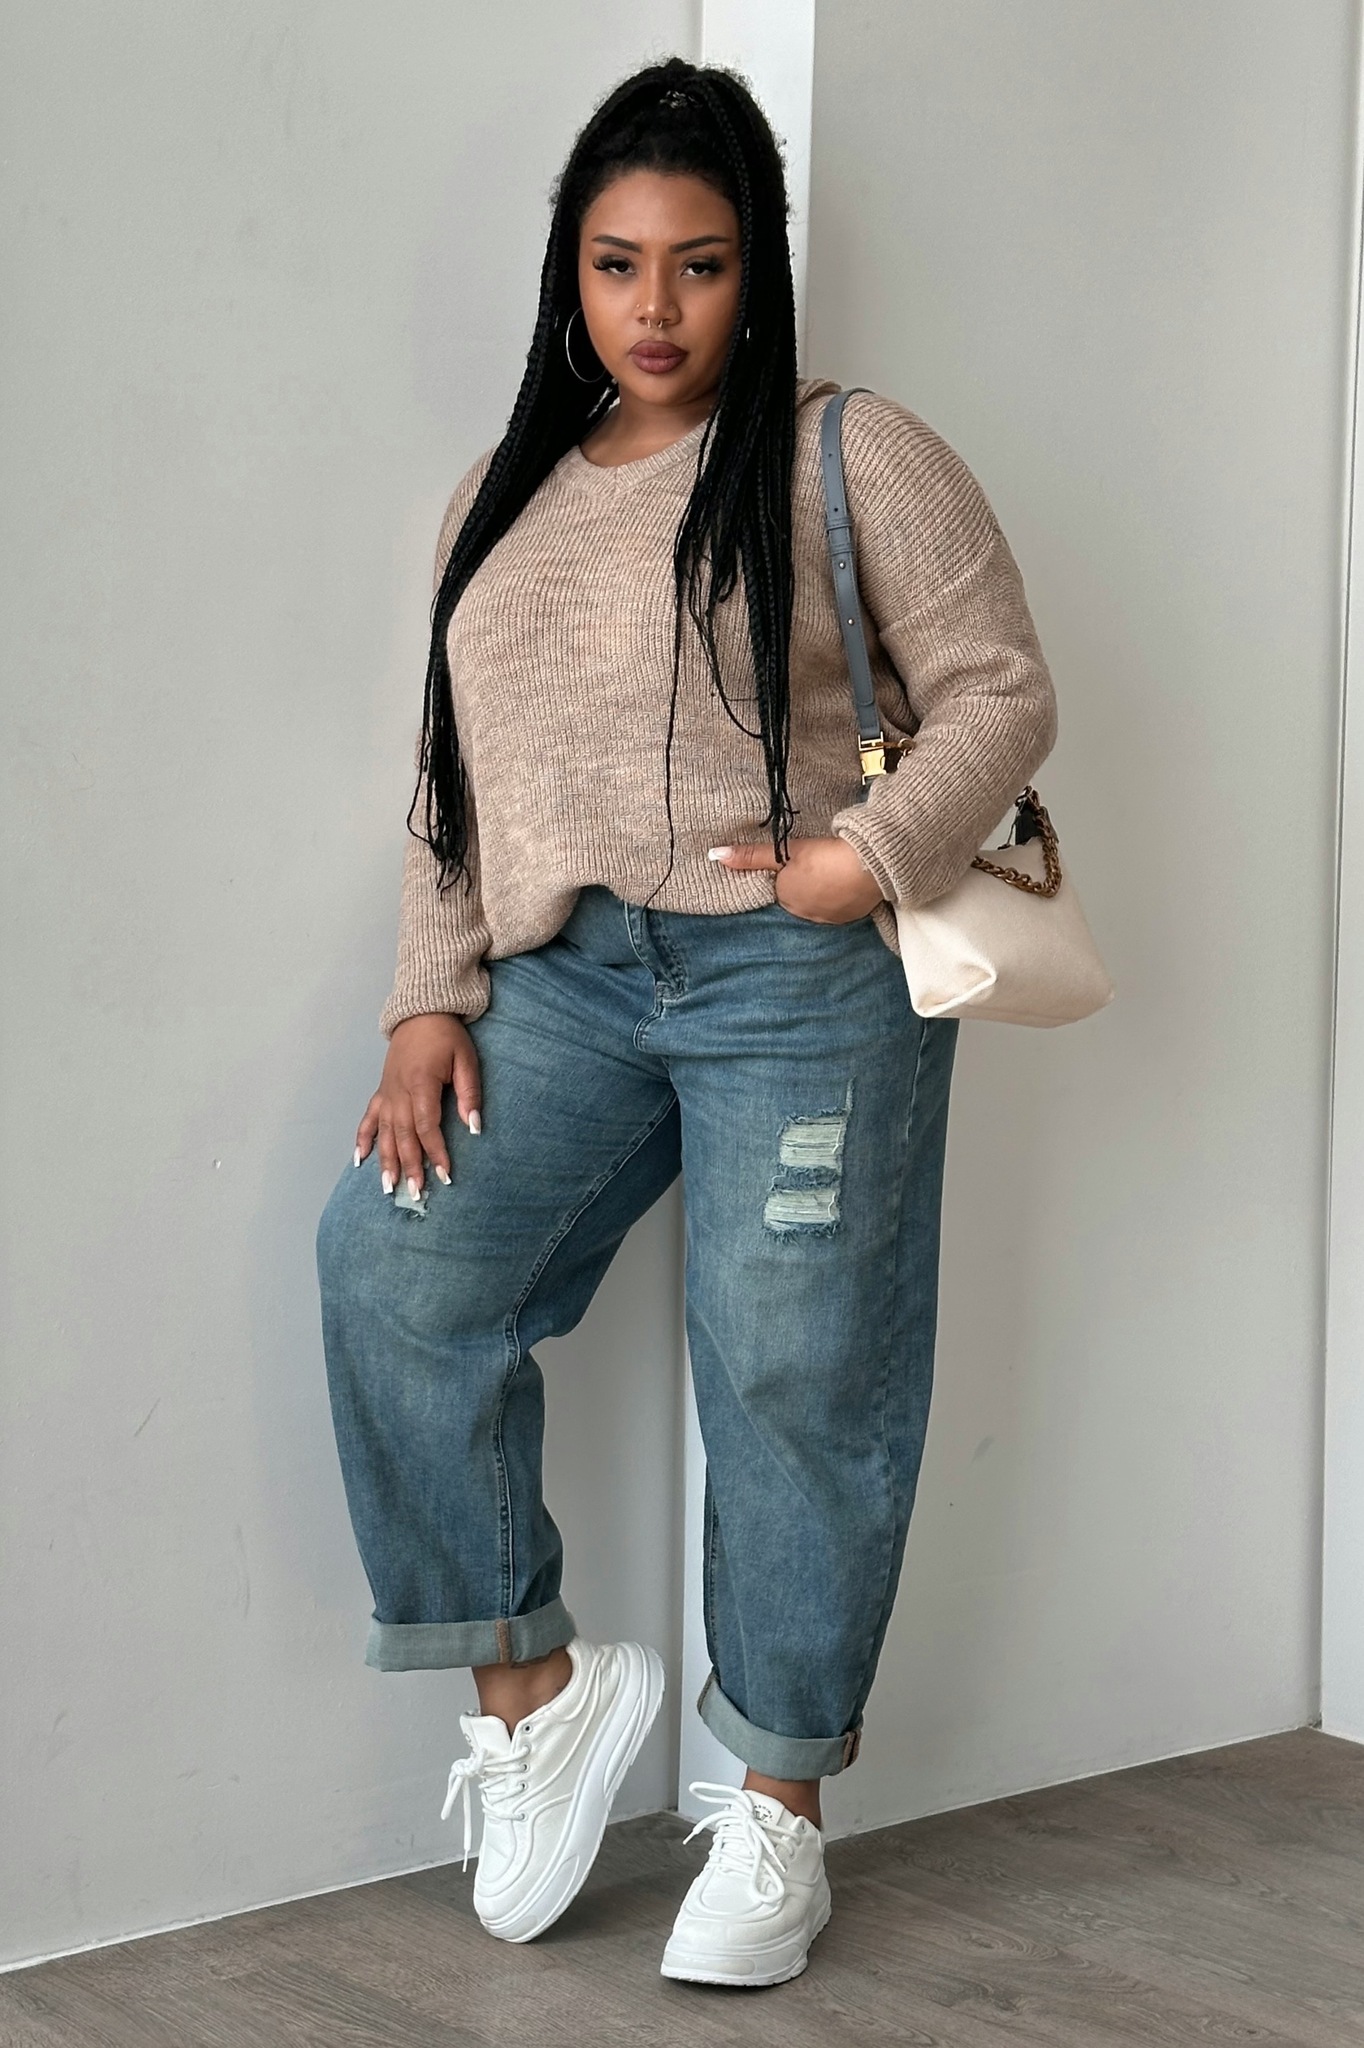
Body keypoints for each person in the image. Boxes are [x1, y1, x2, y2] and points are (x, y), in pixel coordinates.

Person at [316, 55, 1056, 1989]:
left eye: (701, 265)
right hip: (566, 979)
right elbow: (454, 779)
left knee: (795, 1373)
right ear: (568, 271)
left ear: (758, 272)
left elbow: (999, 694)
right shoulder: (502, 496)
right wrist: (426, 998)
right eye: (617, 263)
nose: (655, 309)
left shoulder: (849, 451)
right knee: (396, 1269)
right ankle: (536, 1695)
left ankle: (776, 1810)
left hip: (796, 980)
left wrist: (857, 862)